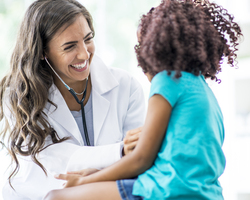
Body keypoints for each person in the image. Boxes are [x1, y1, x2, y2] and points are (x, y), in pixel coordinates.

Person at [44, 0, 243, 199]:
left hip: (167, 190)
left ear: (156, 48)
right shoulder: (200, 88)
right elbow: (169, 158)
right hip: (205, 192)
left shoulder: (168, 81)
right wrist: (99, 175)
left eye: (142, 46)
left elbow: (141, 158)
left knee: (56, 196)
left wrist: (83, 181)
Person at [0, 0, 145, 199]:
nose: (84, 54)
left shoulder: (126, 87)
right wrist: (119, 152)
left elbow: (140, 159)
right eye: (69, 47)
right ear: (43, 52)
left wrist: (96, 176)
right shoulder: (19, 96)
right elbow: (50, 162)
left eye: (88, 39)